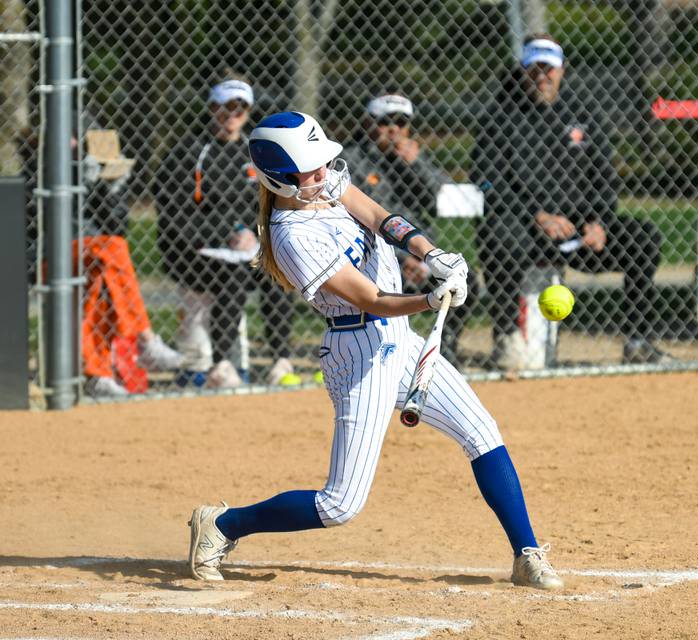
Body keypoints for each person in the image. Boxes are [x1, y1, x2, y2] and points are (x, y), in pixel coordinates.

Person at [186, 111, 563, 591]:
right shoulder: (290, 235)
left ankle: (526, 552)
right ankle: (223, 524)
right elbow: (368, 298)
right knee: (340, 504)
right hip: (357, 352)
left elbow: (383, 219)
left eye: (323, 164)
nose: (323, 174)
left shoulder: (330, 186)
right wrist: (429, 300)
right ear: (279, 180)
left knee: (482, 432)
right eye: (310, 170)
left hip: (397, 339)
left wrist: (431, 255)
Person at [472, 34, 671, 367]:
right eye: (534, 68)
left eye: (549, 68)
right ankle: (507, 338)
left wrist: (600, 221)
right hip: (526, 228)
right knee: (500, 238)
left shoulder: (583, 112)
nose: (542, 76)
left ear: (562, 70)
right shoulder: (500, 116)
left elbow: (604, 177)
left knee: (642, 238)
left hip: (578, 231)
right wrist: (537, 216)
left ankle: (638, 341)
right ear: (523, 70)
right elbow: (488, 181)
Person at [155, 72, 297, 388]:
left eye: (239, 109)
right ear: (211, 108)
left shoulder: (257, 153)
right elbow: (175, 213)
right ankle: (221, 364)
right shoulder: (191, 152)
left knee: (277, 272)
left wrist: (255, 234)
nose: (231, 115)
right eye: (224, 107)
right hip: (192, 250)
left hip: (246, 246)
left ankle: (280, 360)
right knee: (231, 277)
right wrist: (227, 233)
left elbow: (273, 203)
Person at [21, 128, 183, 398]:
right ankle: (144, 340)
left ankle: (97, 375)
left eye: (76, 138)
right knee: (112, 249)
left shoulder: (89, 172)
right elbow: (35, 228)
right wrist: (74, 184)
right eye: (68, 135)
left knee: (102, 279)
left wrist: (109, 189)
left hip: (95, 258)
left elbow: (118, 226)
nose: (73, 143)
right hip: (49, 259)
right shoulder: (35, 175)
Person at [339, 91, 475, 367]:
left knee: (464, 286)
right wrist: (403, 260)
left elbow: (447, 202)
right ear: (369, 124)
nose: (393, 130)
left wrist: (417, 163)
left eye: (401, 122)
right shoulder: (352, 160)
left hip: (417, 252)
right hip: (371, 254)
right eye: (385, 122)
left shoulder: (413, 160)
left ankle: (443, 350)